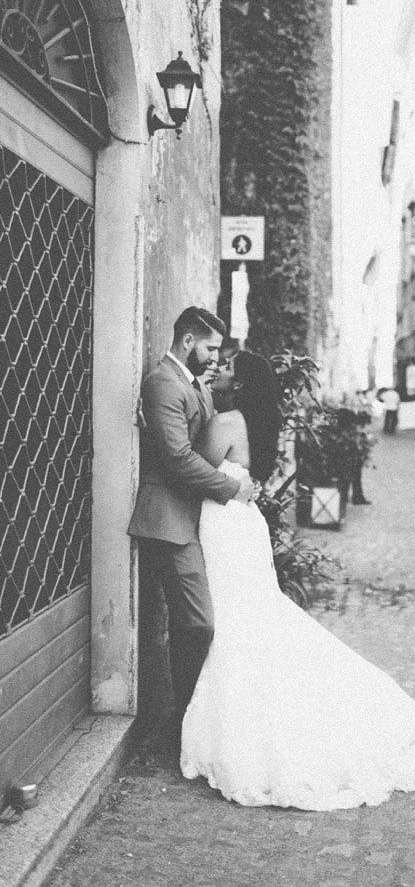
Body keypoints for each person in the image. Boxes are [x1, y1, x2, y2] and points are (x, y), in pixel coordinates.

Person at [180, 350, 415, 810]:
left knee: (236, 624)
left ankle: (246, 732)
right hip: (244, 525)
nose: (218, 371)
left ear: (240, 384)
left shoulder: (225, 423)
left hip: (224, 526)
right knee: (252, 619)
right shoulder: (259, 422)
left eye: (228, 369)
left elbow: (190, 470)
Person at [127, 307, 254, 744]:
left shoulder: (193, 383)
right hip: (166, 519)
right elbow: (177, 457)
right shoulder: (164, 383)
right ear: (187, 342)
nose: (215, 356)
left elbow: (202, 443)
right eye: (210, 347)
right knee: (199, 623)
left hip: (190, 517)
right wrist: (229, 487)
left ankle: (186, 720)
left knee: (190, 621)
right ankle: (183, 722)